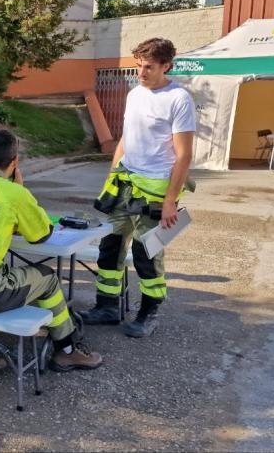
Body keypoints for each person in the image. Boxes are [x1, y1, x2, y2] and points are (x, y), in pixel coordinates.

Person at [0, 130, 103, 372]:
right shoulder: (14, 193)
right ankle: (66, 350)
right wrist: (21, 190)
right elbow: (41, 234)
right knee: (47, 277)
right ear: (15, 162)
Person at [79, 37, 196, 338]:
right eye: (138, 67)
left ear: (166, 66)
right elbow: (124, 141)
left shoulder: (179, 98)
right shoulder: (135, 94)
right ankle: (106, 306)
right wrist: (111, 178)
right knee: (110, 246)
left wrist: (171, 201)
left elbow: (184, 155)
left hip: (156, 193)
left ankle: (148, 313)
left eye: (148, 68)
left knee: (147, 253)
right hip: (125, 184)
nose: (141, 73)